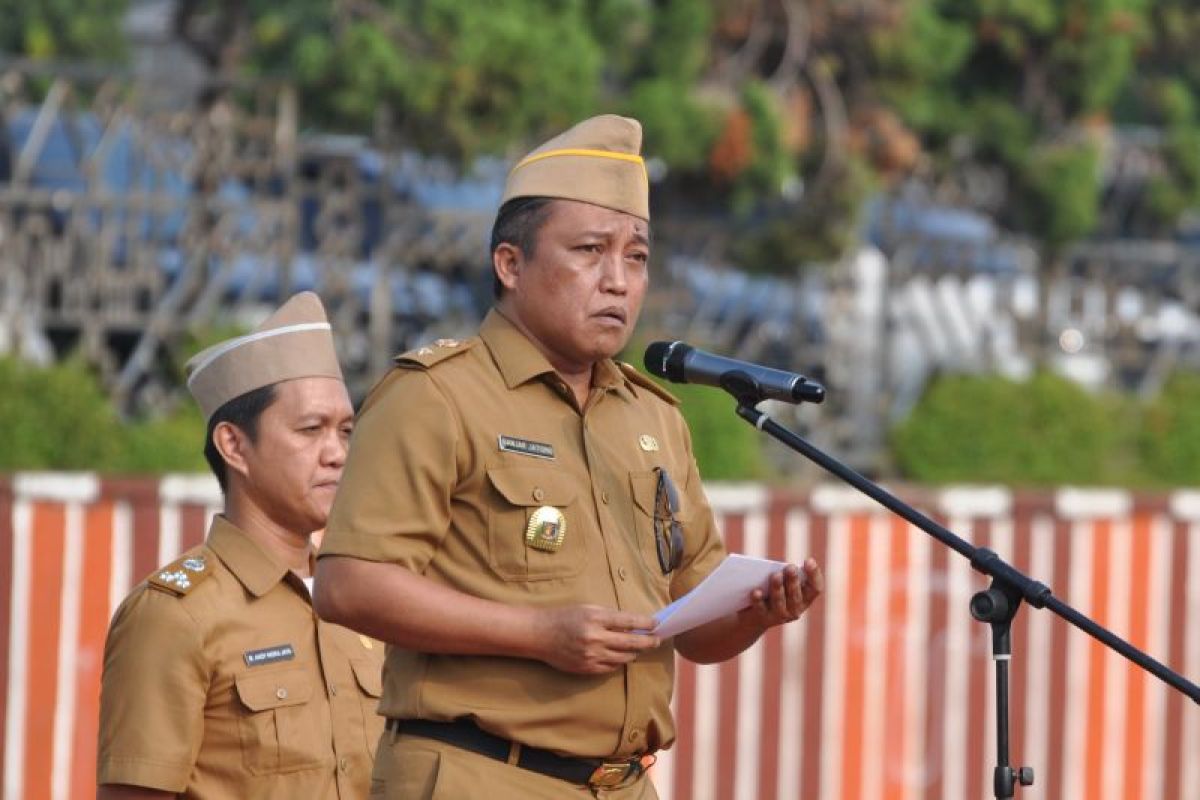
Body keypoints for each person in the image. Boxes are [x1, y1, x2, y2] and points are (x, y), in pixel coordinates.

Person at [313, 115, 824, 799]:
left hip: (623, 784)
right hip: (481, 774)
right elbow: (348, 585)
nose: (618, 281)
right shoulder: (437, 396)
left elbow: (693, 626)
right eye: (590, 251)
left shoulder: (654, 417)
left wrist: (758, 612)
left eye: (636, 257)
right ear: (510, 263)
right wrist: (537, 633)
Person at [96, 292, 385, 800]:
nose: (337, 454)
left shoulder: (362, 598)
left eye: (345, 431)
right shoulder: (174, 617)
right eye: (311, 429)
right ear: (234, 446)